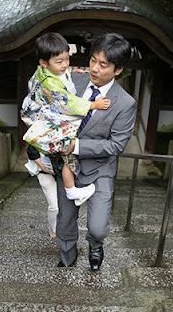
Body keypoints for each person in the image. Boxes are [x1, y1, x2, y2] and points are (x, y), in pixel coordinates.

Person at [53, 32, 136, 271]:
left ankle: (95, 244)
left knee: (98, 226)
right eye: (92, 60)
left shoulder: (124, 103)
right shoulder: (73, 81)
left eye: (103, 64)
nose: (95, 68)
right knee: (65, 221)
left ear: (118, 70)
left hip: (100, 169)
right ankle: (67, 257)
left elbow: (116, 145)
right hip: (68, 166)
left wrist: (76, 146)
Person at [21, 32, 111, 206]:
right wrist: (93, 105)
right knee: (68, 148)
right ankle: (72, 191)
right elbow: (67, 102)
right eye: (59, 61)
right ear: (43, 63)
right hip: (43, 119)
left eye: (66, 59)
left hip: (42, 116)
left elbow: (68, 73)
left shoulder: (49, 71)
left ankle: (44, 159)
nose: (65, 65)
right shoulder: (48, 81)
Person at [24, 144, 58, 237]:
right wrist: (44, 168)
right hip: (44, 170)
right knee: (54, 205)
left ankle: (64, 227)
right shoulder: (39, 130)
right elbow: (32, 151)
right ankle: (53, 228)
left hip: (64, 170)